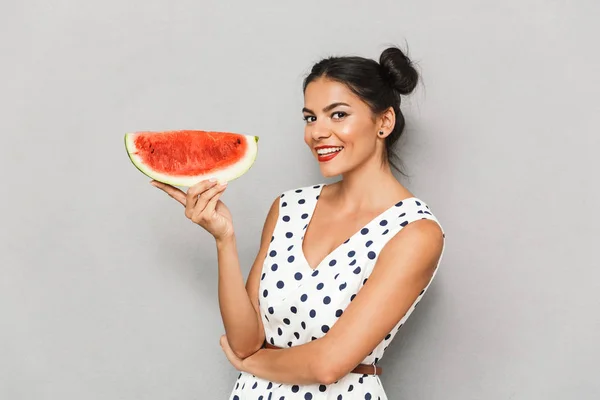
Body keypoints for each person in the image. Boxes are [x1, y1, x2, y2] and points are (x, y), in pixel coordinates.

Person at [151, 45, 446, 400]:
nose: (317, 132)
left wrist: (250, 364)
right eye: (310, 118)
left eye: (338, 115)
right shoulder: (289, 207)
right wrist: (223, 239)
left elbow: (328, 365)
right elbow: (246, 339)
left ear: (384, 122)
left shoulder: (415, 233)